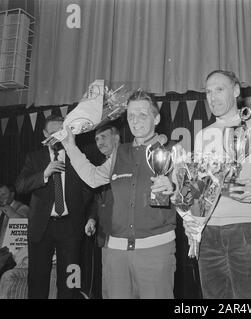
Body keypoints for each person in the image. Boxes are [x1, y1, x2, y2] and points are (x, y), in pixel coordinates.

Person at [61, 90, 177, 299]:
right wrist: (70, 146)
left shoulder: (173, 151)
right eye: (131, 115)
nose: (135, 121)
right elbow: (93, 177)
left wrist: (174, 189)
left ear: (156, 118)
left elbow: (190, 200)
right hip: (116, 254)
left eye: (142, 114)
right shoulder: (119, 153)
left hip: (156, 252)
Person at [185, 70, 251, 299]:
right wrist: (192, 221)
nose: (212, 97)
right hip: (208, 234)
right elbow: (199, 189)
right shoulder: (203, 135)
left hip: (247, 231)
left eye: (219, 89)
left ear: (235, 90)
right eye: (208, 92)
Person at [15, 115, 94, 299]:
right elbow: (20, 186)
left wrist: (83, 214)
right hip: (41, 227)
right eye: (52, 134)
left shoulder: (78, 157)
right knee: (37, 280)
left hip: (70, 227)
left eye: (61, 133)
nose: (57, 138)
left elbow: (89, 190)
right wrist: (44, 174)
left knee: (69, 281)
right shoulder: (34, 158)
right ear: (44, 134)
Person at [82, 124, 120, 298]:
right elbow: (99, 201)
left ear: (116, 138)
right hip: (104, 237)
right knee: (108, 288)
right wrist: (92, 219)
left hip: (123, 237)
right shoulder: (101, 167)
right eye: (97, 139)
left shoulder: (126, 161)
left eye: (103, 137)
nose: (99, 142)